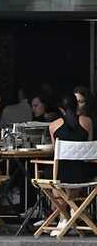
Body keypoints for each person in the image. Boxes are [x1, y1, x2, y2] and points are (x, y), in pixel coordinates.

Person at [47, 93, 94, 236]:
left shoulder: (53, 126)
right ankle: (73, 210)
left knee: (54, 173)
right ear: (77, 105)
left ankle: (63, 217)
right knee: (76, 166)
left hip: (62, 176)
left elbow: (57, 153)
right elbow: (88, 148)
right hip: (83, 176)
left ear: (61, 109)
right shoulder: (88, 122)